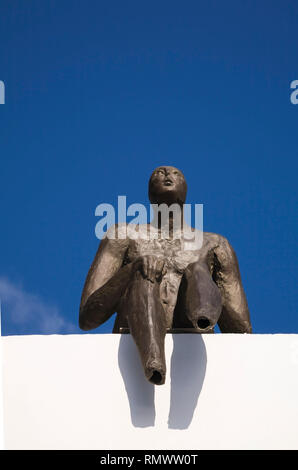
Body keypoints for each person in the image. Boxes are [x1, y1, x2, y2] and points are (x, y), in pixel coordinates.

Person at [79, 166, 252, 384]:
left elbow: (241, 331)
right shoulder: (123, 235)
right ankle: (153, 361)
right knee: (143, 275)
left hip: (191, 329)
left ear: (185, 189)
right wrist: (132, 270)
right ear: (149, 191)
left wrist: (202, 278)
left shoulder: (215, 243)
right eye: (159, 173)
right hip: (137, 323)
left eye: (176, 173)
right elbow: (87, 317)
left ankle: (202, 318)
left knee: (197, 268)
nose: (168, 175)